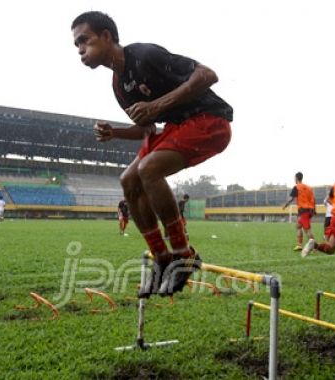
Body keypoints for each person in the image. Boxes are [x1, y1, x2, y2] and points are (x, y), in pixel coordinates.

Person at [71, 11, 233, 297]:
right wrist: (116, 132)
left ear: (106, 36)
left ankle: (184, 254)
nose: (80, 50)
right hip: (175, 126)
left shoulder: (143, 55)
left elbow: (208, 74)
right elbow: (146, 128)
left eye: (84, 41)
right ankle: (161, 256)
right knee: (128, 180)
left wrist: (157, 105)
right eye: (77, 46)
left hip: (209, 120)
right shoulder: (119, 86)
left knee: (148, 169)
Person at [282, 172, 316, 251]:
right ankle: (299, 245)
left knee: (307, 230)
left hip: (303, 211)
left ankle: (315, 247)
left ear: (296, 178)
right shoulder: (309, 188)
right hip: (309, 210)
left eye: (294, 178)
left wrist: (285, 205)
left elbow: (291, 199)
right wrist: (314, 210)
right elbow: (313, 199)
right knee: (298, 226)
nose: (294, 179)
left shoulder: (297, 187)